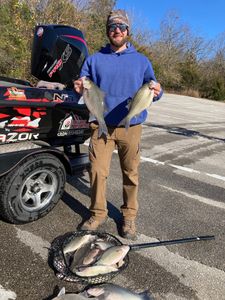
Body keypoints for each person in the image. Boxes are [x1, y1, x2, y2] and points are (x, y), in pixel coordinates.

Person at [74, 9, 163, 240]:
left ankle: (129, 217)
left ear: (128, 31)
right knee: (96, 171)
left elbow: (152, 90)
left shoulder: (142, 61)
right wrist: (78, 87)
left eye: (122, 27)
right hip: (100, 126)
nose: (117, 31)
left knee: (131, 173)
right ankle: (97, 213)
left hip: (131, 128)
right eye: (113, 27)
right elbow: (82, 85)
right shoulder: (93, 60)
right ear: (108, 30)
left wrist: (157, 91)